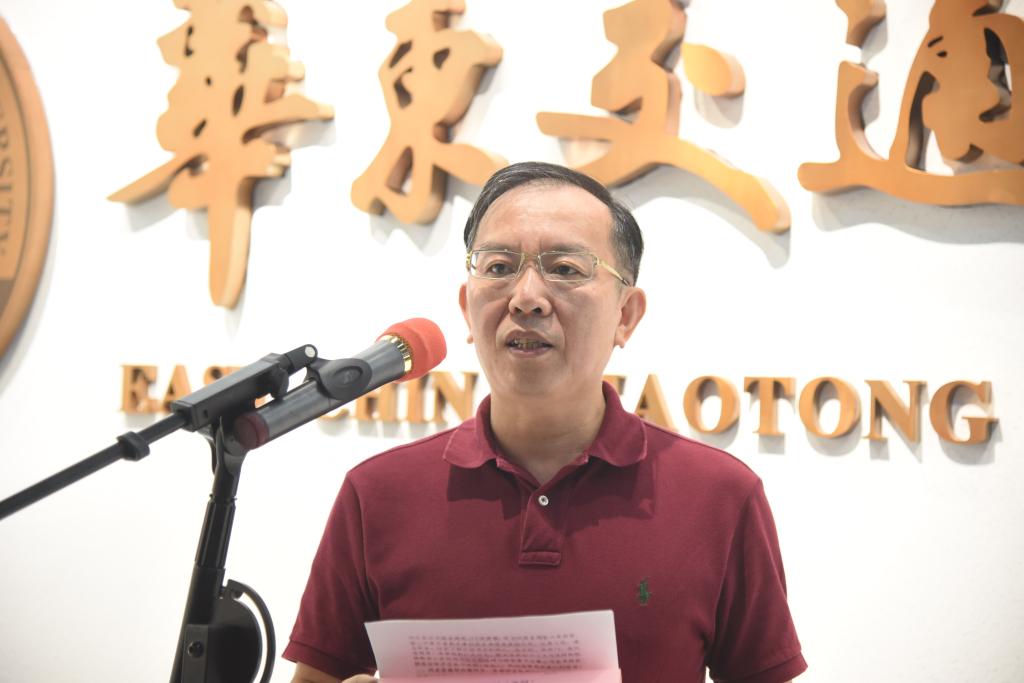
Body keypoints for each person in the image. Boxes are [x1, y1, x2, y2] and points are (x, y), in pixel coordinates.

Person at [285, 162, 806, 683]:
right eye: (498, 267)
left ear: (626, 315)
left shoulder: (719, 496)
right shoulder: (377, 494)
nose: (526, 298)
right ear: (467, 309)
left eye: (566, 269)